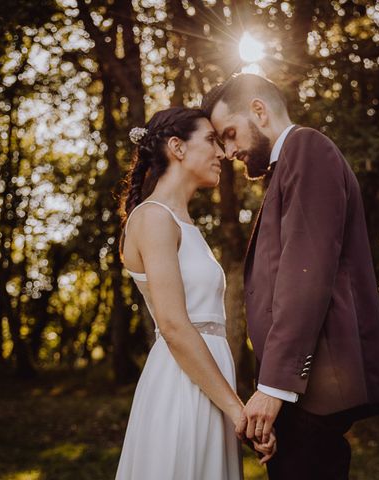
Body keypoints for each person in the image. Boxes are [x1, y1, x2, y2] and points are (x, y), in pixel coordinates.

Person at [202, 73, 379, 479]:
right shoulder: (289, 165)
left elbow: (307, 271)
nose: (230, 150)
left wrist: (274, 387)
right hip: (304, 389)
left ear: (259, 110)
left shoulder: (307, 149)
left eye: (231, 134)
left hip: (314, 388)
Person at [114, 107, 276, 480]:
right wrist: (239, 411)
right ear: (177, 148)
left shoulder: (184, 224)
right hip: (181, 387)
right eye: (211, 142)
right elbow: (173, 325)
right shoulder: (154, 218)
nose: (222, 153)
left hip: (208, 383)